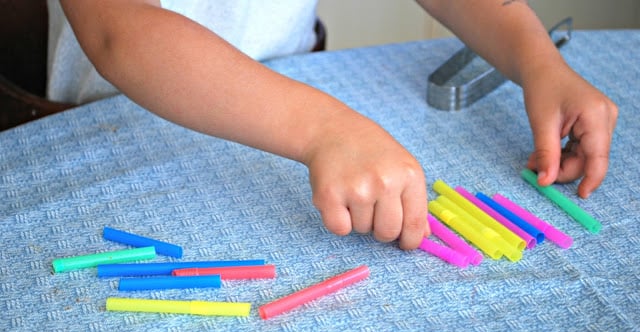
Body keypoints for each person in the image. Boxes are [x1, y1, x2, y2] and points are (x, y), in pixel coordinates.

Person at [48, 0, 618, 250]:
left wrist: (536, 58)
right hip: (111, 130)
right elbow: (116, 29)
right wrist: (322, 129)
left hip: (294, 89)